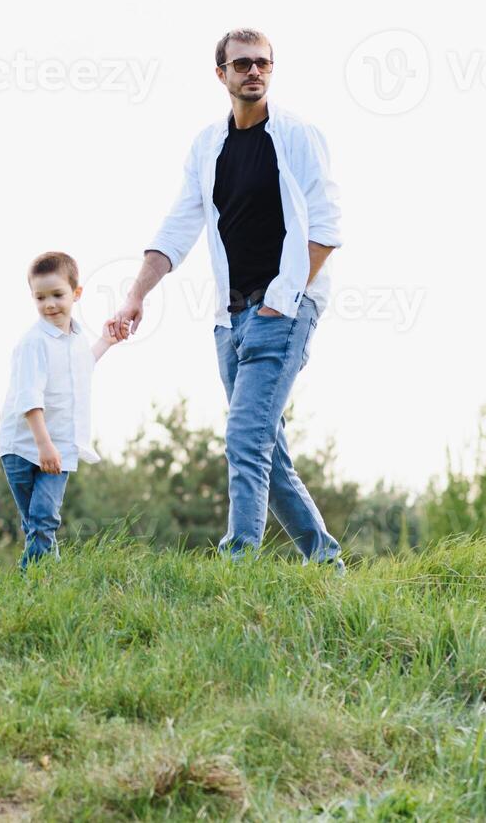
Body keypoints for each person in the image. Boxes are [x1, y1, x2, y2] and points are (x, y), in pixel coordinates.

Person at [109, 29, 345, 570]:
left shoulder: (297, 136)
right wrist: (135, 296)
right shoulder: (206, 147)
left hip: (284, 309)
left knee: (244, 437)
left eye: (262, 63)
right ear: (221, 74)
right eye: (241, 64)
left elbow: (327, 227)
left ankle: (237, 563)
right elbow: (177, 227)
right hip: (230, 317)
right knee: (266, 449)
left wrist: (283, 300)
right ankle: (325, 561)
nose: (253, 72)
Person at [0, 251, 121, 570]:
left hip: (61, 444)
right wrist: (43, 445)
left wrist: (105, 342)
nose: (49, 304)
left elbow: (80, 371)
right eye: (40, 297)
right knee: (35, 522)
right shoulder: (33, 342)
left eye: (57, 295)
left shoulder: (77, 339)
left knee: (44, 518)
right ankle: (44, 578)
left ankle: (38, 579)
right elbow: (29, 398)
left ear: (76, 294)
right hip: (24, 447)